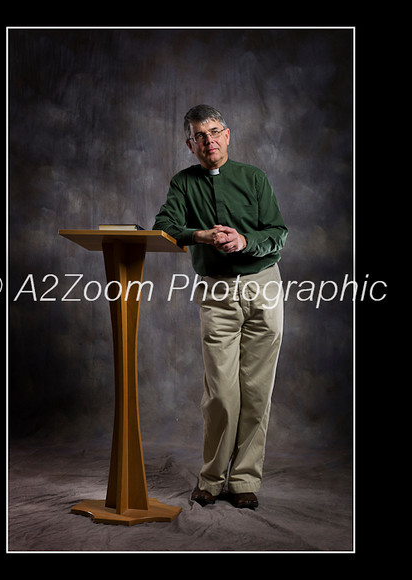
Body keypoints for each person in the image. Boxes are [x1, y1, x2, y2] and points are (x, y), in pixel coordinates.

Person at [153, 104, 288, 509]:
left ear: (227, 135)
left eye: (214, 132)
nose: (208, 140)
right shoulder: (183, 183)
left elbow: (278, 232)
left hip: (263, 286)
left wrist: (245, 241)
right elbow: (165, 226)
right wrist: (203, 235)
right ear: (190, 143)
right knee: (221, 395)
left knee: (257, 391)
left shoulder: (254, 178)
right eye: (199, 135)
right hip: (217, 293)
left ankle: (244, 480)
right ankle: (211, 479)